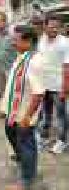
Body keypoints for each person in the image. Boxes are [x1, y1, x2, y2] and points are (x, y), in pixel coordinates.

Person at [3, 25, 44, 189]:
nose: (13, 43)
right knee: (10, 132)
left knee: (26, 143)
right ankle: (25, 162)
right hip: (14, 111)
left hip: (25, 113)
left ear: (28, 41)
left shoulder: (35, 62)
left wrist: (27, 116)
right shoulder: (21, 57)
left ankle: (27, 180)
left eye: (16, 40)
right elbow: (15, 85)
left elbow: (38, 93)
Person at [37, 14, 69, 154]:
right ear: (45, 26)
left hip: (58, 86)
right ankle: (44, 138)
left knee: (61, 116)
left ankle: (62, 141)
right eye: (51, 26)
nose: (54, 29)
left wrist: (65, 88)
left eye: (57, 27)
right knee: (45, 114)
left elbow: (67, 67)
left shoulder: (65, 43)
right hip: (44, 85)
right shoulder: (42, 40)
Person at [0, 13, 17, 116]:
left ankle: (12, 111)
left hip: (10, 67)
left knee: (11, 90)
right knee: (2, 90)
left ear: (5, 22)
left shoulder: (12, 34)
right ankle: (4, 110)